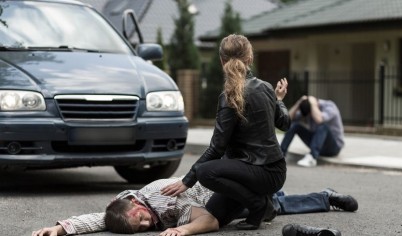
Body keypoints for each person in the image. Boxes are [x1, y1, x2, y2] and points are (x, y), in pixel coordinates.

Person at [161, 34, 290, 230]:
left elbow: (217, 149)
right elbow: (285, 123)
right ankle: (266, 205)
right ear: (250, 58)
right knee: (214, 215)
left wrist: (188, 180)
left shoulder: (229, 96)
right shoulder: (266, 88)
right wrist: (279, 100)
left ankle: (258, 205)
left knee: (205, 172)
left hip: (260, 174)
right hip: (274, 172)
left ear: (222, 61)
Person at [31, 176, 358, 236]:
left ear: (134, 205)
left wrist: (182, 230)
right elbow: (100, 219)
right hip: (223, 201)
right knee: (277, 203)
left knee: (272, 204)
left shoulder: (160, 198)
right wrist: (61, 228)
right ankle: (325, 196)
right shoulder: (125, 210)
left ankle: (325, 197)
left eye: (141, 221)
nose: (146, 227)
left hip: (220, 196)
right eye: (141, 229)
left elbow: (204, 220)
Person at [280, 95, 344, 167]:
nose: (310, 116)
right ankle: (280, 155)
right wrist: (298, 103)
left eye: (310, 113)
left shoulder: (330, 106)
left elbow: (319, 120)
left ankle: (312, 157)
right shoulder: (307, 109)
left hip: (333, 147)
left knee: (323, 126)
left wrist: (313, 104)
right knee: (295, 125)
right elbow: (288, 119)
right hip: (317, 143)